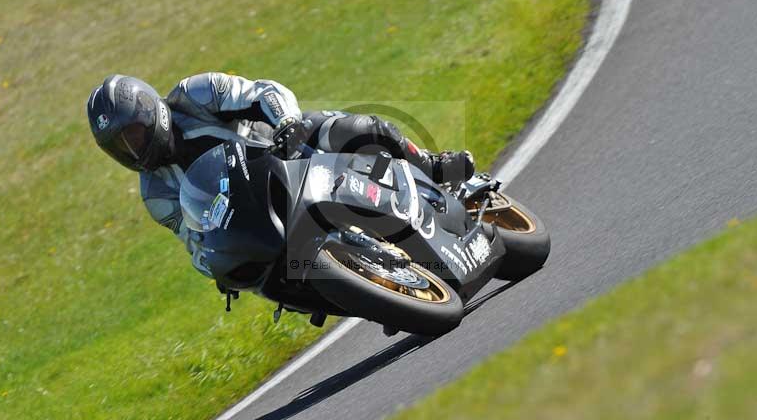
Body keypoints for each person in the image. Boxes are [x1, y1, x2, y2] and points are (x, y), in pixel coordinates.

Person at [86, 73, 474, 276]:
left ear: (150, 110)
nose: (134, 150)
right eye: (120, 147)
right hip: (261, 213)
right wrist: (213, 263)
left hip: (293, 149)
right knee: (276, 278)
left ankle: (431, 166)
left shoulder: (194, 93)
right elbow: (193, 239)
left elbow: (263, 92)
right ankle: (381, 292)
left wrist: (286, 122)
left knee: (362, 129)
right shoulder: (155, 191)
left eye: (133, 134)